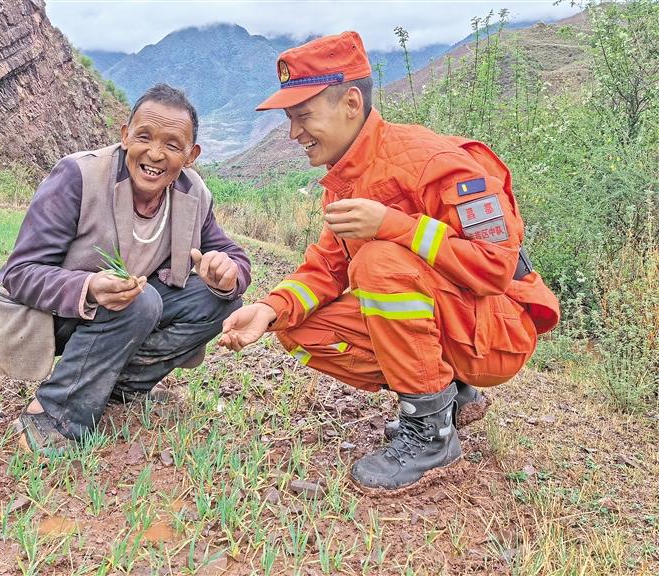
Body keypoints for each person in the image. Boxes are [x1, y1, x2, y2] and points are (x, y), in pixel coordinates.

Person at [219, 32, 560, 493]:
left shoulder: (436, 162)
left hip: (499, 332)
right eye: (289, 119)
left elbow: (497, 266)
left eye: (303, 116)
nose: (294, 133)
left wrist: (393, 226)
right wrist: (269, 309)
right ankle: (449, 398)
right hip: (458, 326)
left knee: (380, 263)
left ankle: (431, 437)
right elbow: (326, 269)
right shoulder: (347, 179)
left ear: (351, 103)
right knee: (299, 328)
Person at [0, 83, 251, 453]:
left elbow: (230, 254)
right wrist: (90, 287)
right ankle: (54, 415)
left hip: (128, 313)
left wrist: (227, 270)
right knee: (141, 301)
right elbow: (20, 273)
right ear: (125, 136)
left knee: (221, 300)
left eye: (172, 145)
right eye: (144, 136)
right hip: (53, 316)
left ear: (191, 155)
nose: (155, 154)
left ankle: (120, 388)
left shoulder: (193, 194)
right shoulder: (79, 176)